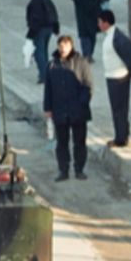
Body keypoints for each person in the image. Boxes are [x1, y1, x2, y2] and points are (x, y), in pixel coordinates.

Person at [42, 35, 93, 181]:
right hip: (59, 110)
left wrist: (81, 103)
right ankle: (63, 170)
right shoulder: (52, 65)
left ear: (71, 46)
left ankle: (79, 169)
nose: (63, 49)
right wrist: (47, 108)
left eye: (66, 45)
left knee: (79, 142)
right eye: (61, 46)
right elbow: (48, 89)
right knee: (61, 143)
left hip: (78, 111)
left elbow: (88, 85)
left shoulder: (81, 63)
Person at [97, 10, 131, 147]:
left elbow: (130, 54)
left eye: (100, 22)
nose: (98, 25)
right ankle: (121, 135)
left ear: (106, 23)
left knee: (119, 109)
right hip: (112, 76)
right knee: (117, 109)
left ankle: (121, 138)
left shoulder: (117, 38)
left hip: (118, 77)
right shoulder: (111, 36)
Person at [25, 0, 59, 85]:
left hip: (39, 30)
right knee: (44, 51)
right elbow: (53, 13)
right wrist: (55, 26)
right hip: (48, 29)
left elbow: (35, 19)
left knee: (38, 53)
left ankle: (44, 75)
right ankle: (46, 73)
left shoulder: (35, 2)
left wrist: (31, 33)